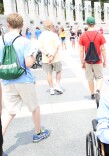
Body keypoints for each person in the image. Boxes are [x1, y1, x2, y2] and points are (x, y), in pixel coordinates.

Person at [0, 13, 50, 144]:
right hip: (24, 79)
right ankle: (38, 133)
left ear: (8, 25)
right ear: (22, 26)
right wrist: (33, 56)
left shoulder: (1, 40)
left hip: (7, 80)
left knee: (10, 112)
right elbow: (28, 63)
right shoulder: (25, 41)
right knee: (34, 107)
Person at [79, 16, 106, 102]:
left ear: (87, 24)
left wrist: (82, 62)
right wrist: (105, 60)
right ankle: (98, 90)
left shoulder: (83, 35)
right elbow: (103, 49)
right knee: (100, 77)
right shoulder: (99, 35)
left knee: (90, 78)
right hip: (98, 61)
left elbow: (81, 51)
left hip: (88, 61)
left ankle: (92, 94)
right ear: (94, 24)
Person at [38, 20, 63, 95]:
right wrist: (52, 55)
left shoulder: (41, 35)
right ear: (50, 26)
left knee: (48, 73)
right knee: (58, 71)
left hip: (46, 58)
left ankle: (51, 89)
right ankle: (57, 85)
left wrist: (48, 55)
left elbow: (40, 47)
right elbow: (57, 46)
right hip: (55, 57)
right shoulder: (54, 35)